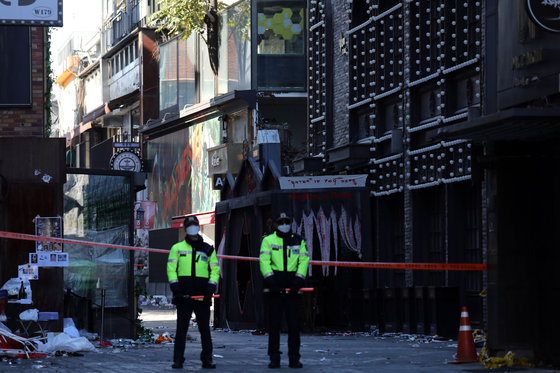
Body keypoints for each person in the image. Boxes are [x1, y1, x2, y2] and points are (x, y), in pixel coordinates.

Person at [167, 215, 219, 369]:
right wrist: (176, 289)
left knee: (205, 330)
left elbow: (215, 270)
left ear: (198, 227)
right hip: (183, 296)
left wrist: (210, 289)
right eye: (190, 225)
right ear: (185, 228)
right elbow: (171, 270)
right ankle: (178, 360)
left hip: (202, 296)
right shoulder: (177, 248)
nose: (193, 228)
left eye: (195, 225)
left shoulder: (208, 249)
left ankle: (207, 359)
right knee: (181, 330)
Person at [259, 212, 309, 369]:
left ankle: (294, 358)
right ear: (276, 224)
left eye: (287, 221)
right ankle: (274, 358)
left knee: (294, 326)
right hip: (274, 289)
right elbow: (264, 262)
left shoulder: (299, 241)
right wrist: (271, 281)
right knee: (274, 326)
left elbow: (304, 261)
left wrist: (298, 282)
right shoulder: (268, 240)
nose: (284, 224)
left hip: (293, 290)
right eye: (281, 222)